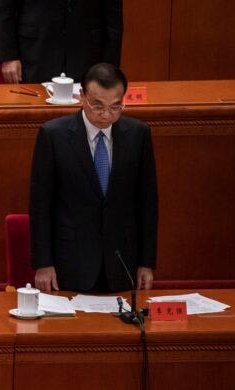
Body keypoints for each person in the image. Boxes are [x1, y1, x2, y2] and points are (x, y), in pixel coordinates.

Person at [29, 63, 157, 293]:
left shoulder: (138, 135)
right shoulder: (53, 135)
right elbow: (40, 206)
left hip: (122, 263)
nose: (106, 115)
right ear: (81, 97)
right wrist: (43, 263)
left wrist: (146, 262)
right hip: (69, 263)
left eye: (115, 106)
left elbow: (148, 203)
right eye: (97, 106)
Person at [0, 0, 123, 84]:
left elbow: (114, 18)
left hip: (87, 53)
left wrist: (110, 67)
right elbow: (5, 10)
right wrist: (9, 56)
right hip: (34, 52)